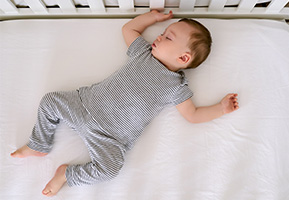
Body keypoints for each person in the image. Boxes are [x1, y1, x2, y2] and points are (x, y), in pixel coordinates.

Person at [10, 10, 239, 197]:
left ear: (184, 58)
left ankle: (66, 175)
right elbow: (128, 29)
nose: (158, 36)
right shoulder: (143, 53)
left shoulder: (176, 88)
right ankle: (39, 143)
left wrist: (221, 108)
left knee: (110, 169)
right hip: (85, 105)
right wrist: (153, 17)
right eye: (163, 33)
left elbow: (193, 114)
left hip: (110, 137)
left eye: (168, 37)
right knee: (50, 101)